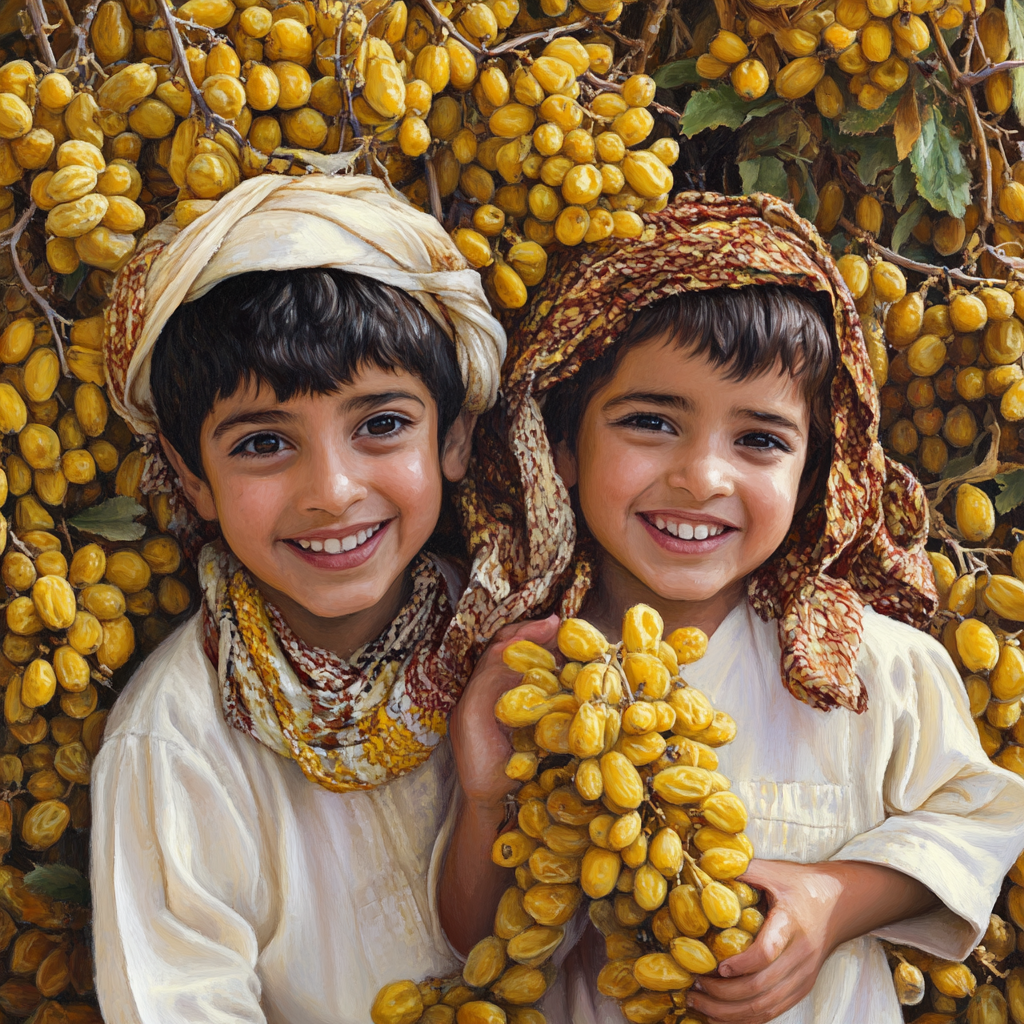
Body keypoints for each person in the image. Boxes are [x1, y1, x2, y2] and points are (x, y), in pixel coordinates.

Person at [446, 192, 1024, 1023]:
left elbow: (981, 816)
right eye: (651, 422)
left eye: (758, 440)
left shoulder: (865, 664)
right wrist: (482, 797)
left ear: (813, 471)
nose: (703, 478)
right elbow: (474, 944)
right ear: (561, 445)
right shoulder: (529, 676)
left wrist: (834, 902)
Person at [89, 174, 509, 1023]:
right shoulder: (174, 745)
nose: (333, 491)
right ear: (189, 478)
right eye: (265, 443)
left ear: (455, 436)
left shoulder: (518, 643)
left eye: (381, 425)